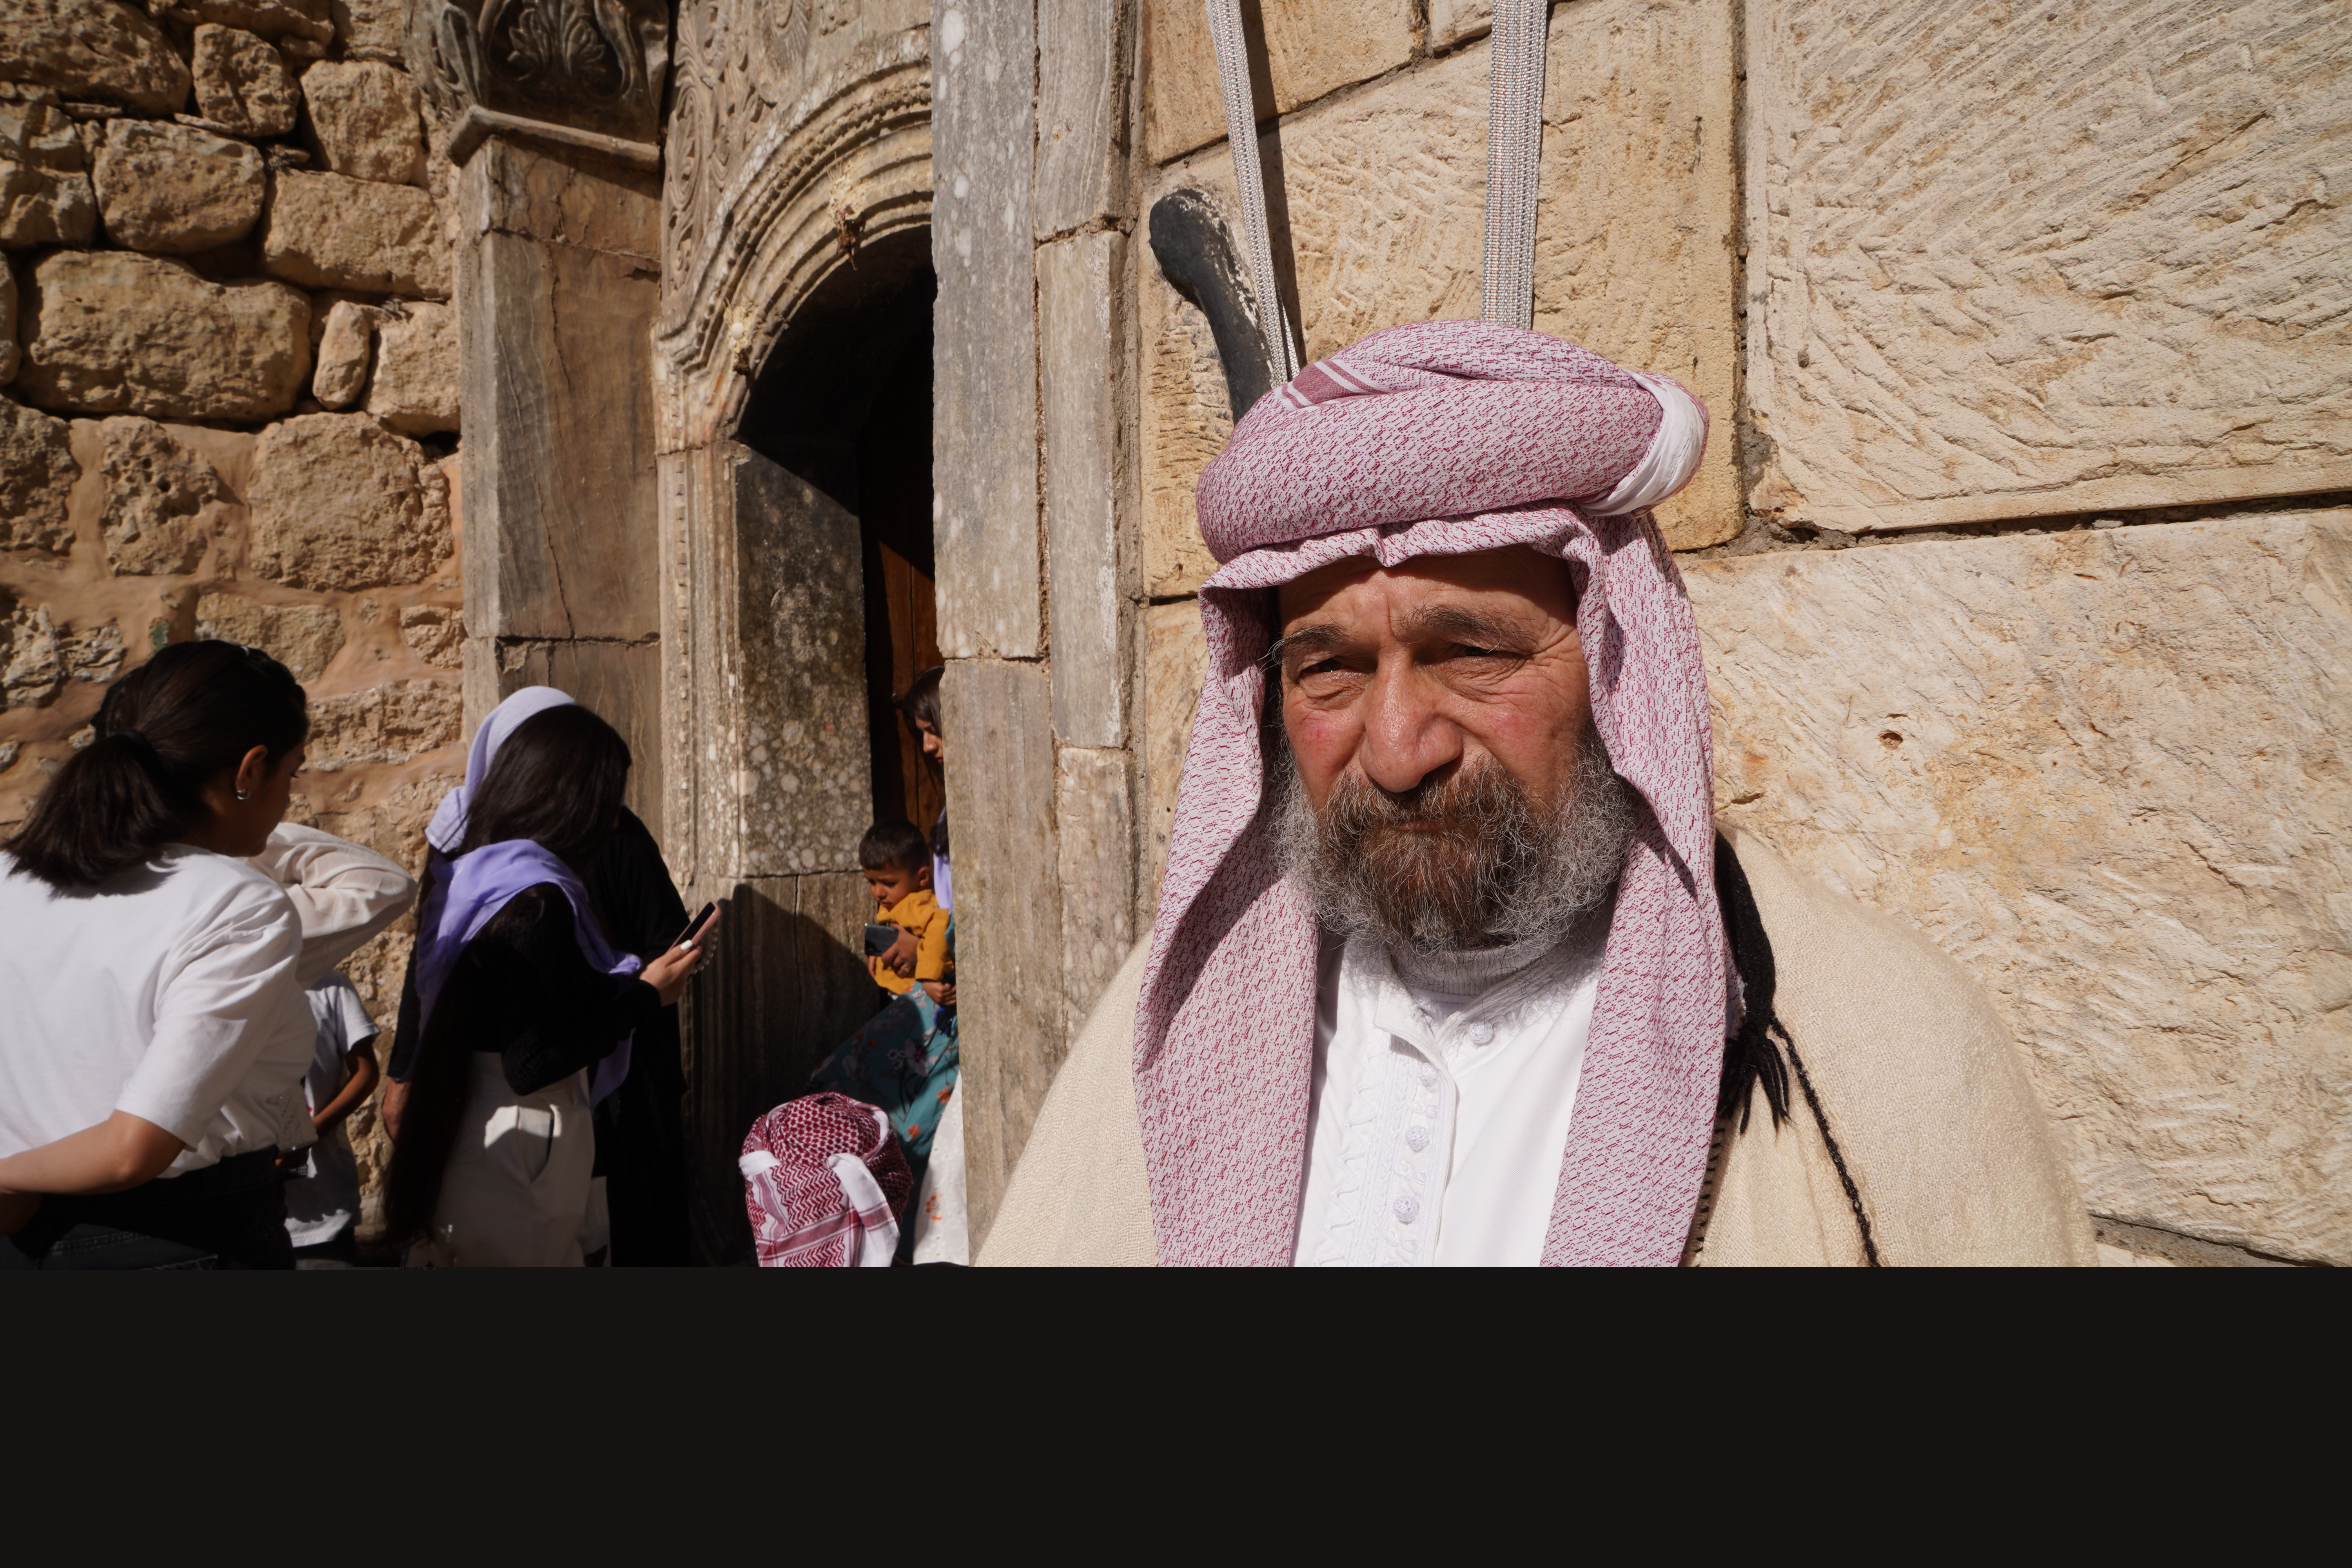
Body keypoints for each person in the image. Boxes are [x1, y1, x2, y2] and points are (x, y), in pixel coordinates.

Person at [981, 320, 2095, 1267]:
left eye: (1473, 652)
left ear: (1621, 675)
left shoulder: (1880, 1048)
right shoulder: (1178, 1019)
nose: (1399, 750)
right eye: (1330, 669)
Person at [0, 641, 356, 1269]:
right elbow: (131, 1149)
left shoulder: (11, 876)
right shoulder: (236, 902)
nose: (289, 800)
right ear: (249, 771)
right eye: (293, 773)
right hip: (177, 1241)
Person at [383, 704, 711, 1266]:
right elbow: (531, 1061)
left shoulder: (475, 878)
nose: (613, 823)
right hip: (524, 1146)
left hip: (477, 1132)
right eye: (607, 802)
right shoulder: (540, 901)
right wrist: (645, 997)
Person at [280, 975, 381, 1265]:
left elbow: (365, 1072)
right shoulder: (224, 979)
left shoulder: (328, 983)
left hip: (322, 1213)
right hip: (247, 1214)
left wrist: (311, 1133)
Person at [860, 819, 953, 1004]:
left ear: (923, 878)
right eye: (872, 882)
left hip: (921, 992)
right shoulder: (897, 899)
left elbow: (938, 929)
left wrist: (928, 977)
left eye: (889, 883)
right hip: (902, 989)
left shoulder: (918, 903)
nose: (878, 892)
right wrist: (877, 950)